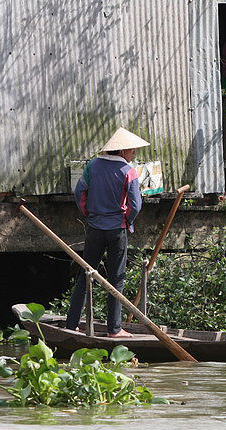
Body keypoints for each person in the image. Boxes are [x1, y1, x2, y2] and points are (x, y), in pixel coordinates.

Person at [64, 127, 148, 338]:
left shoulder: (92, 166)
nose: (134, 154)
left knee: (86, 274)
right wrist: (126, 220)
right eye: (132, 150)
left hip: (95, 228)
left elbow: (80, 192)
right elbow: (136, 205)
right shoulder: (128, 171)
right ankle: (114, 329)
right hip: (116, 230)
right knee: (116, 278)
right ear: (122, 151)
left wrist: (89, 213)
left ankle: (72, 323)